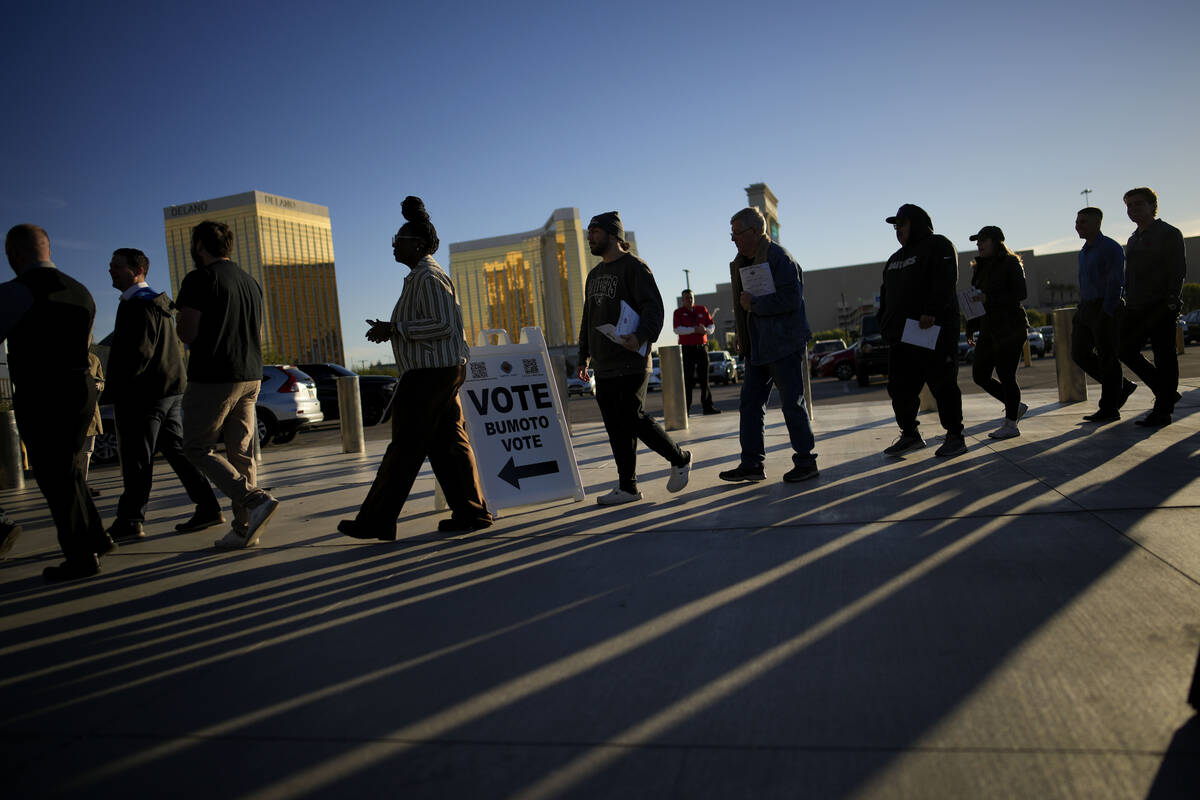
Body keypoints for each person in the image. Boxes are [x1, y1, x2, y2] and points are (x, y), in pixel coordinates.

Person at [338, 196, 493, 539]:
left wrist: (394, 329)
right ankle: (472, 513)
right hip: (438, 371)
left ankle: (377, 520)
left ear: (419, 245)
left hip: (429, 374)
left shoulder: (428, 276)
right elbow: (444, 324)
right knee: (447, 445)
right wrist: (393, 329)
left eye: (400, 241)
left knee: (405, 448)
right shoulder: (421, 277)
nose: (394, 246)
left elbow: (442, 324)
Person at [1, 224, 113, 581]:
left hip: (42, 392)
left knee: (54, 476)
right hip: (80, 389)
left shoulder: (16, 292)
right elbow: (85, 346)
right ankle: (97, 537)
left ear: (14, 254)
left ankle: (81, 557)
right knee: (68, 469)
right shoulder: (81, 292)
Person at [103, 248, 222, 541]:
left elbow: (137, 355)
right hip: (168, 391)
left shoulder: (137, 305)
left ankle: (131, 519)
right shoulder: (159, 303)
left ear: (137, 270)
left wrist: (114, 389)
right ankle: (208, 506)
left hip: (141, 395)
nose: (110, 270)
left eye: (116, 266)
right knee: (177, 453)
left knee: (136, 459)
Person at [176, 221, 279, 549]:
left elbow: (187, 333)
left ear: (200, 245)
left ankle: (254, 499)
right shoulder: (250, 283)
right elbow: (257, 332)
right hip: (250, 374)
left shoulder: (199, 279)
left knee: (196, 446)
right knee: (241, 452)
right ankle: (243, 528)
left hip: (213, 377)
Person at [576, 211, 691, 504]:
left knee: (631, 416)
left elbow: (653, 308)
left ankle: (679, 458)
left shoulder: (635, 268)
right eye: (589, 232)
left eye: (595, 231)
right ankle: (628, 487)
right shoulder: (594, 275)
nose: (590, 237)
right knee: (616, 426)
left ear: (614, 235)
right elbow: (588, 319)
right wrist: (583, 357)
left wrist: (640, 336)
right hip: (603, 364)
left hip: (631, 358)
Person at [718, 207, 818, 483]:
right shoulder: (740, 262)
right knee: (750, 404)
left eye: (737, 233)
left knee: (792, 403)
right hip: (757, 346)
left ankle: (806, 462)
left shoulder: (779, 258)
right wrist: (741, 332)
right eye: (732, 233)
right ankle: (751, 464)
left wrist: (756, 305)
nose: (733, 239)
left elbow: (791, 300)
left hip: (784, 343)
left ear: (754, 232)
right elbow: (742, 305)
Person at [877, 204, 965, 457]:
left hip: (933, 330)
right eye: (895, 226)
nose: (897, 231)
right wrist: (884, 322)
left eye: (901, 225)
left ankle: (955, 436)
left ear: (916, 223)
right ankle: (910, 435)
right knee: (899, 388)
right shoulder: (895, 259)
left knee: (943, 384)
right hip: (903, 336)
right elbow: (886, 295)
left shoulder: (939, 245)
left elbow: (946, 280)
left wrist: (932, 310)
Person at [1119, 187, 1187, 427]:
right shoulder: (1133, 238)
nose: (1133, 209)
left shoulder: (1168, 233)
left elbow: (1177, 270)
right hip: (1136, 306)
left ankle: (1163, 410)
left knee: (1164, 356)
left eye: (1138, 204)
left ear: (1152, 206)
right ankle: (1166, 392)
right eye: (1129, 206)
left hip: (1160, 306)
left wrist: (1171, 299)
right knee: (1125, 349)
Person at [1071, 207, 1136, 423]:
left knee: (1108, 358)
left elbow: (1116, 282)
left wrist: (1106, 311)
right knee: (1079, 353)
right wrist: (1082, 309)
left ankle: (1109, 408)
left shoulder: (1110, 248)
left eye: (1083, 222)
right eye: (1077, 222)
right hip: (1086, 309)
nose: (1078, 226)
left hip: (1106, 308)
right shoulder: (1083, 251)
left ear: (1098, 224)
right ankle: (1122, 386)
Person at [965, 226, 1030, 439]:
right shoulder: (979, 268)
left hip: (1010, 327)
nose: (979, 245)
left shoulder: (1010, 263)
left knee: (1006, 374)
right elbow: (976, 300)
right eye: (977, 241)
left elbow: (1021, 293)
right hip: (988, 328)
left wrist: (989, 298)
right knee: (980, 375)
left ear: (997, 241)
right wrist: (971, 326)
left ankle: (1011, 424)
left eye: (983, 240)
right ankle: (1014, 405)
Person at [672, 289, 719, 415]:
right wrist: (694, 330)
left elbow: (712, 325)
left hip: (702, 348)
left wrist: (706, 330)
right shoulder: (678, 312)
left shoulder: (702, 309)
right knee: (688, 379)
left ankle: (708, 407)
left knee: (705, 378)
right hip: (687, 349)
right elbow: (677, 330)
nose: (689, 300)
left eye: (691, 297)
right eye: (687, 298)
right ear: (682, 300)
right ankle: (686, 410)